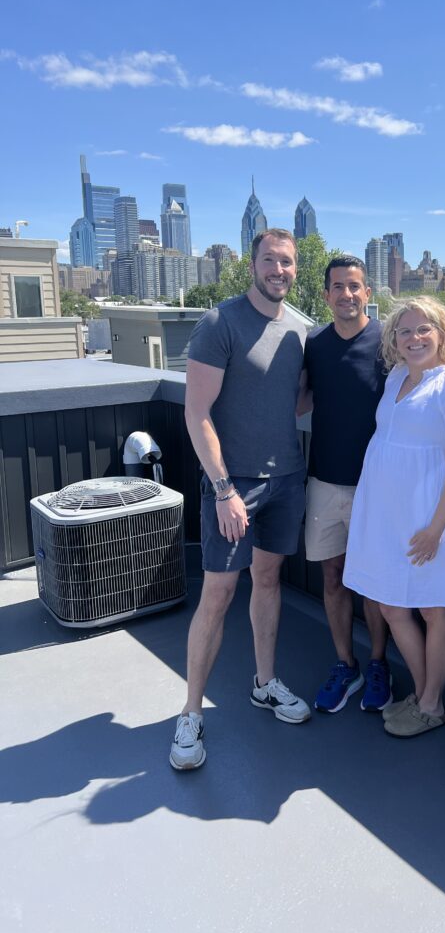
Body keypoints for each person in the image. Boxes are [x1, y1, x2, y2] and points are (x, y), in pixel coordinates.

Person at [170, 228, 310, 771]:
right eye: (270, 260)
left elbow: (296, 399)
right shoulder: (219, 322)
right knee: (219, 593)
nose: (279, 270)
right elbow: (196, 412)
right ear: (253, 265)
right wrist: (225, 489)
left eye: (288, 262)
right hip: (234, 487)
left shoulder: (302, 329)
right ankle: (190, 713)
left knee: (269, 580)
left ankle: (265, 683)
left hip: (287, 480)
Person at [342, 296, 445, 738]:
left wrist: (435, 530)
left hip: (431, 518)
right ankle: (424, 695)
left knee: (433, 608)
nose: (413, 338)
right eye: (404, 331)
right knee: (392, 604)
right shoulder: (396, 379)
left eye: (423, 329)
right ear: (393, 340)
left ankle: (431, 705)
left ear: (443, 334)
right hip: (389, 517)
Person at [299, 255, 392, 713]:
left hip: (374, 487)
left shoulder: (387, 341)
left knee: (372, 584)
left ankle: (377, 664)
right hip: (323, 482)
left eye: (354, 286)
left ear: (367, 294)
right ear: (326, 295)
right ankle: (345, 664)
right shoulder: (313, 342)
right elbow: (294, 399)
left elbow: (428, 383)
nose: (347, 295)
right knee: (332, 578)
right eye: (338, 287)